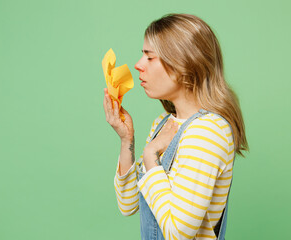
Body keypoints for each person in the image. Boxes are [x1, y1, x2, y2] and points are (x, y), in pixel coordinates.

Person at [102, 13, 248, 240]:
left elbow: (178, 233)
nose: (138, 65)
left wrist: (151, 155)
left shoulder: (208, 132)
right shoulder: (163, 123)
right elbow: (128, 203)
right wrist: (126, 141)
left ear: (184, 64)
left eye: (150, 58)